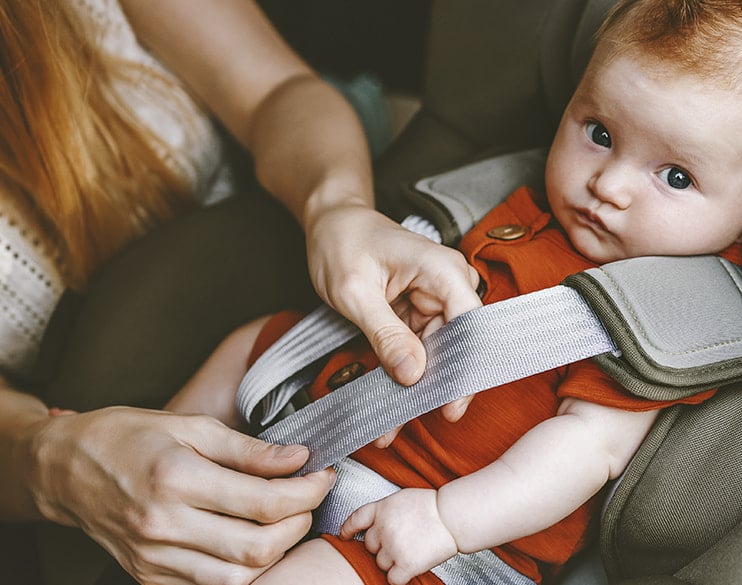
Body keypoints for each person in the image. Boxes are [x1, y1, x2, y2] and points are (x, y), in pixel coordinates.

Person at [166, 0, 742, 583]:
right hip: (336, 419)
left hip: (434, 537)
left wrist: (447, 521)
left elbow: (586, 450)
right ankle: (164, 461)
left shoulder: (667, 311)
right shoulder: (528, 200)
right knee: (251, 344)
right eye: (599, 133)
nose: (610, 185)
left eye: (675, 176)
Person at [0, 0, 479, 584]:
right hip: (81, 415)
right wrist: (49, 463)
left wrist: (335, 207)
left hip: (295, 207)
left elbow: (276, 90)